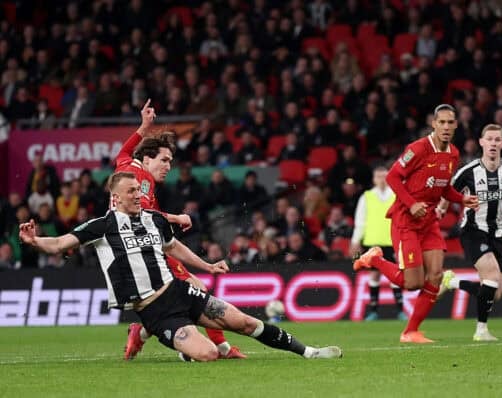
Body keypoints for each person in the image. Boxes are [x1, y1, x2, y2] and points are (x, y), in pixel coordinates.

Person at [18, 172, 342, 362]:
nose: (137, 195)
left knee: (244, 322)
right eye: (130, 191)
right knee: (208, 355)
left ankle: (310, 352)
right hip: (156, 311)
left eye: (138, 190)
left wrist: (208, 266)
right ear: (115, 198)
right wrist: (35, 241)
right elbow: (60, 243)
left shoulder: (155, 220)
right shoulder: (101, 227)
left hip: (180, 291)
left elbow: (175, 248)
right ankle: (173, 341)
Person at [115, 100, 245, 360]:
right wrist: (176, 217)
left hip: (133, 248)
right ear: (147, 159)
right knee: (196, 291)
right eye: (164, 160)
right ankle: (219, 348)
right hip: (142, 249)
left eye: (170, 161)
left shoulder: (125, 167)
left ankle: (140, 334)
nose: (168, 166)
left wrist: (143, 127)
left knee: (180, 297)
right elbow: (141, 213)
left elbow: (123, 151)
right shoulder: (142, 180)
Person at [353, 104, 479, 343]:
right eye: (441, 122)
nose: (445, 127)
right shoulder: (417, 148)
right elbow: (392, 176)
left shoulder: (453, 154)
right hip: (406, 220)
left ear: (456, 125)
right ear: (433, 124)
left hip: (429, 221)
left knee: (435, 275)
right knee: (412, 284)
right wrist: (411, 204)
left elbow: (443, 188)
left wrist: (461, 198)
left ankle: (410, 331)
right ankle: (375, 259)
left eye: (450, 122)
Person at [436, 124, 502, 341]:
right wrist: (440, 209)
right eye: (490, 139)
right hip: (473, 230)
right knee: (492, 276)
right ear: (482, 142)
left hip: (498, 234)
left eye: (497, 140)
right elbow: (448, 193)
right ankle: (481, 331)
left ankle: (452, 282)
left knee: (494, 293)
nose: (494, 143)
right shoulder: (468, 171)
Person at [350, 166, 406, 321]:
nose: (381, 179)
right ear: (374, 179)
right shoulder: (366, 197)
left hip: (392, 241)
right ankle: (373, 310)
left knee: (395, 275)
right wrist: (355, 241)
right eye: (378, 176)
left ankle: (400, 311)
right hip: (372, 242)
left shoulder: (396, 194)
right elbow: (360, 221)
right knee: (374, 275)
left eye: (384, 176)